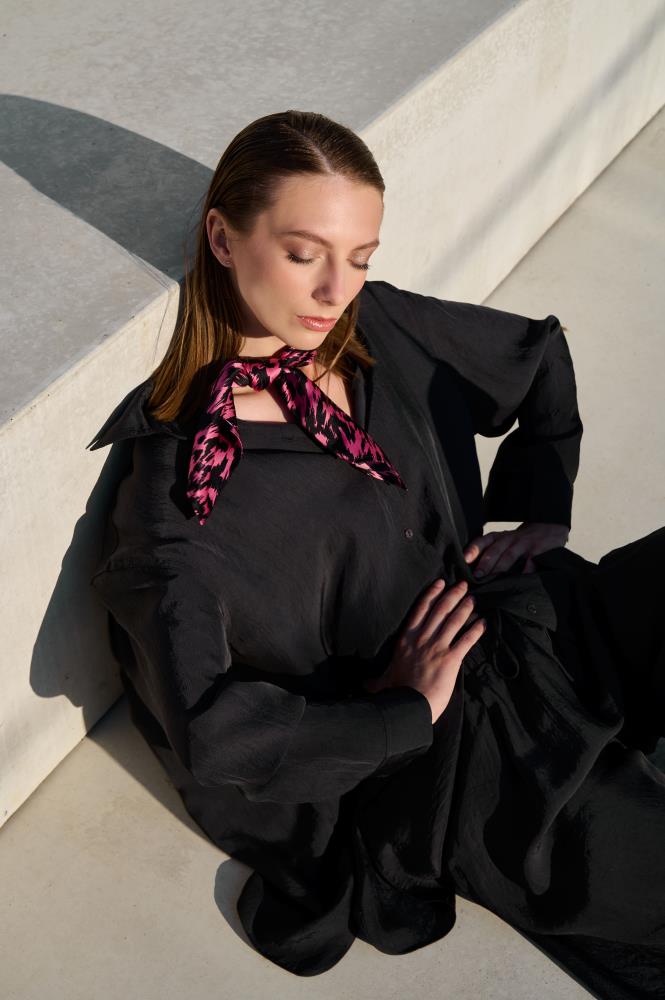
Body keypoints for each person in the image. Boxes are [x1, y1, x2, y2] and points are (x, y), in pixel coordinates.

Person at [86, 110, 665, 994]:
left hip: (536, 619)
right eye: (303, 251)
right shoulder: (183, 499)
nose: (332, 290)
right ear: (223, 237)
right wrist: (407, 711)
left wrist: (538, 508)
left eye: (358, 257)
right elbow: (210, 731)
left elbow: (539, 357)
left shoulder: (375, 330)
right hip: (458, 762)